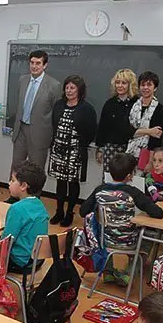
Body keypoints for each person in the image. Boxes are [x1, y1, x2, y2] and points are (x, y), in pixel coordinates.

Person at [79, 154, 163, 279]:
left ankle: (108, 272)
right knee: (150, 236)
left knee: (105, 231)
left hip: (103, 240)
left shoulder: (99, 190)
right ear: (129, 176)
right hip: (128, 241)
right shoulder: (132, 192)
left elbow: (82, 211)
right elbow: (158, 213)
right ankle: (129, 273)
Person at [48, 75, 98, 227]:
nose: (69, 91)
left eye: (73, 88)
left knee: (73, 183)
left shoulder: (87, 108)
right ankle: (59, 211)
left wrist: (79, 143)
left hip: (75, 151)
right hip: (58, 149)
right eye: (67, 87)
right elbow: (54, 124)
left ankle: (70, 212)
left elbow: (91, 131)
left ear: (79, 90)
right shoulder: (59, 105)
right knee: (60, 182)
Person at [11, 50, 62, 169]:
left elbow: (56, 112)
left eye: (38, 63)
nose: (34, 66)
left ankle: (33, 189)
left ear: (45, 65)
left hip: (40, 134)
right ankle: (13, 188)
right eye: (32, 62)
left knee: (36, 171)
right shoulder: (22, 80)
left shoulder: (54, 85)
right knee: (16, 168)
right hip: (20, 130)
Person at [3, 161, 49, 273]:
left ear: (23, 186)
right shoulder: (40, 205)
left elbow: (6, 241)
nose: (9, 183)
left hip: (19, 261)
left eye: (13, 180)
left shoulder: (16, 208)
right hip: (37, 259)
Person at [96, 69, 138, 177]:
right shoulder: (110, 103)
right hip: (111, 148)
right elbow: (102, 128)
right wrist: (100, 149)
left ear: (130, 85)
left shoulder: (137, 103)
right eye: (117, 82)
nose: (120, 85)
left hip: (131, 148)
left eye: (124, 83)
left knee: (129, 179)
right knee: (109, 178)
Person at [126, 71, 163, 174]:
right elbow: (127, 131)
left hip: (147, 154)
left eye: (149, 85)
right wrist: (149, 131)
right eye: (143, 85)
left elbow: (156, 137)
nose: (145, 88)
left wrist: (151, 161)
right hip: (128, 151)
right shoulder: (131, 105)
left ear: (155, 88)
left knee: (141, 185)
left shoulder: (159, 109)